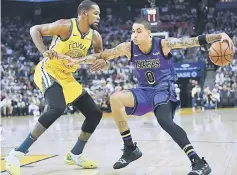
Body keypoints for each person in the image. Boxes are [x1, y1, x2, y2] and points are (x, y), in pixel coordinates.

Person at [66, 18, 234, 175]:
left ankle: (198, 162)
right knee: (115, 98)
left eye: (139, 31)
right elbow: (101, 55)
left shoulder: (164, 44)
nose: (134, 35)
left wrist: (219, 36)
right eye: (133, 31)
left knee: (165, 121)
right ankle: (130, 148)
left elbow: (193, 41)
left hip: (163, 90)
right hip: (144, 91)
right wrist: (77, 61)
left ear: (148, 33)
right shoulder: (128, 47)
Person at [5, 0, 109, 174]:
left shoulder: (95, 36)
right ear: (84, 13)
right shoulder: (65, 26)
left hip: (67, 77)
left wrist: (102, 63)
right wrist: (44, 50)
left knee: (95, 114)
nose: (99, 16)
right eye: (96, 13)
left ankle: (75, 154)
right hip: (49, 70)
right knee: (57, 107)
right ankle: (16, 154)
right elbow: (35, 30)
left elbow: (102, 59)